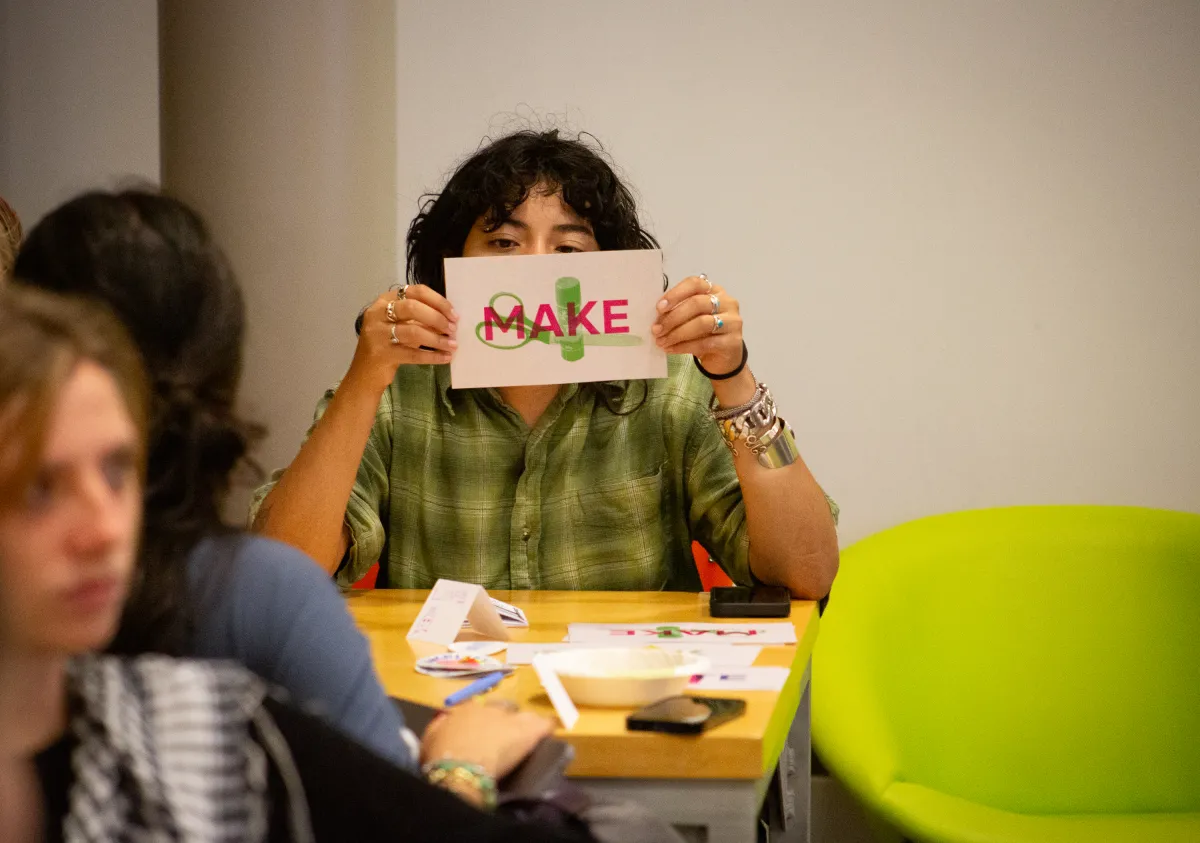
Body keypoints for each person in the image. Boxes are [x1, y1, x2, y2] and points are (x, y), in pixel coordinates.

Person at [0, 284, 594, 842]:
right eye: (38, 487)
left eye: (116, 470)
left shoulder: (202, 725)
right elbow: (293, 556)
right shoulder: (208, 714)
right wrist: (460, 772)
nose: (105, 529)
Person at [11, 190, 548, 776]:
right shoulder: (254, 593)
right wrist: (461, 768)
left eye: (113, 469)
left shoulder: (247, 590)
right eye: (503, 242)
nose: (537, 266)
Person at [251, 129, 840, 596]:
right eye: (504, 243)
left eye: (569, 248)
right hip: (448, 709)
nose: (536, 267)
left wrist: (733, 376)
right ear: (451, 265)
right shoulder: (397, 389)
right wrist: (363, 380)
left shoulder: (667, 388)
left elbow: (806, 571)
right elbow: (284, 575)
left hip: (629, 706)